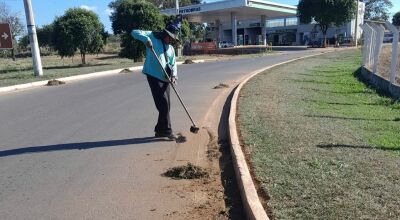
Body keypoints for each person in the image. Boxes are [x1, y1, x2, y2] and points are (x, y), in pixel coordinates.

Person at [131, 21, 180, 140]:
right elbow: (134, 32)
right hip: (153, 75)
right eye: (169, 37)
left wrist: (173, 76)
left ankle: (159, 130)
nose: (171, 39)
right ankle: (168, 131)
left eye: (172, 38)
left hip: (166, 78)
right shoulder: (152, 36)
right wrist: (146, 40)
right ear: (165, 34)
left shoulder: (171, 49)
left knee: (167, 105)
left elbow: (173, 64)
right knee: (163, 104)